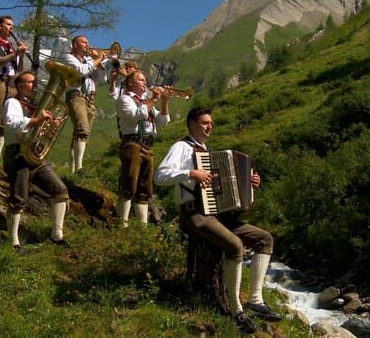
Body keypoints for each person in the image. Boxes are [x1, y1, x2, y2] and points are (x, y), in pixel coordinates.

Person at [154, 106, 282, 334]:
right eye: (205, 123)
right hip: (194, 214)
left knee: (265, 239)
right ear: (192, 124)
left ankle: (256, 300)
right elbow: (160, 176)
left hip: (218, 214)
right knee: (235, 245)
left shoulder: (209, 153)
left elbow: (228, 193)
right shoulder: (182, 147)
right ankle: (236, 310)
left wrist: (250, 183)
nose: (210, 126)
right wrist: (191, 173)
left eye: (210, 123)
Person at [2, 71, 70, 252]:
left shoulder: (33, 106)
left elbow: (38, 129)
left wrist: (49, 125)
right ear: (20, 85)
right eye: (31, 82)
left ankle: (57, 236)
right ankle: (14, 243)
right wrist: (36, 120)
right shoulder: (13, 102)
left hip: (34, 155)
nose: (35, 85)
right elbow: (10, 124)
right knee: (18, 199)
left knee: (60, 190)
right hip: (17, 154)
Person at [116, 70, 170, 227]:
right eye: (141, 80)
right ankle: (122, 225)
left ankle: (142, 228)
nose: (145, 83)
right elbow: (136, 115)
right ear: (130, 83)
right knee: (129, 184)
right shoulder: (125, 99)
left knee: (145, 189)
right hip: (132, 143)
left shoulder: (146, 102)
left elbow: (161, 122)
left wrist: (164, 101)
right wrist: (153, 99)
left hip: (148, 145)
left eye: (145, 80)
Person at [61, 35, 107, 175]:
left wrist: (98, 63)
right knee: (82, 129)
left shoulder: (89, 61)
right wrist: (97, 59)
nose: (88, 44)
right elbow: (80, 71)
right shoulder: (68, 57)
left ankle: (74, 170)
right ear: (75, 45)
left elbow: (102, 78)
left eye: (88, 42)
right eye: (84, 42)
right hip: (76, 95)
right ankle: (79, 168)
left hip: (90, 98)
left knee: (82, 134)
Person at [0, 15, 27, 159]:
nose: (11, 28)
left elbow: (19, 68)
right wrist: (15, 53)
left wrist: (22, 54)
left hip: (12, 82)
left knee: (7, 118)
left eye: (12, 25)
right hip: (0, 81)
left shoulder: (11, 46)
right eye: (8, 25)